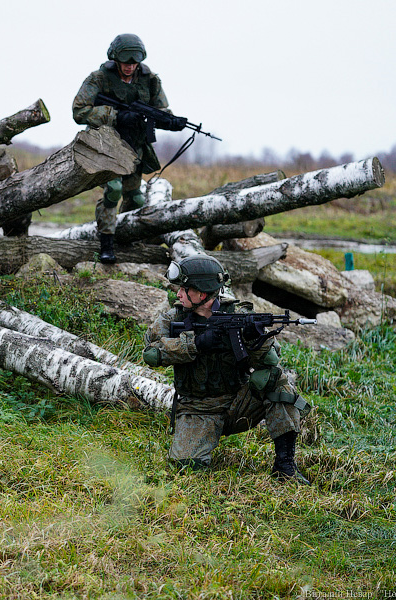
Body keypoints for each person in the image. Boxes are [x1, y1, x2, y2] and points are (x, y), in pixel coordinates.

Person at [142, 254, 310, 483]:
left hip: (237, 405)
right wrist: (196, 343)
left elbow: (270, 361)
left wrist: (254, 340)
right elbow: (151, 353)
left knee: (276, 380)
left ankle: (285, 465)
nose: (178, 294)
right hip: (198, 409)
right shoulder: (172, 318)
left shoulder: (238, 316)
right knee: (186, 467)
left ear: (201, 293)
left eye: (184, 289)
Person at [72, 33, 179, 264]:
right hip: (106, 146)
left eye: (134, 63)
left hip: (135, 148)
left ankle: (126, 239)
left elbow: (160, 111)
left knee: (136, 199)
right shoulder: (99, 78)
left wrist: (172, 122)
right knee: (113, 189)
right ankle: (106, 243)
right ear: (115, 58)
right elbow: (79, 111)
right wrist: (116, 115)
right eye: (125, 62)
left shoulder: (150, 80)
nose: (130, 67)